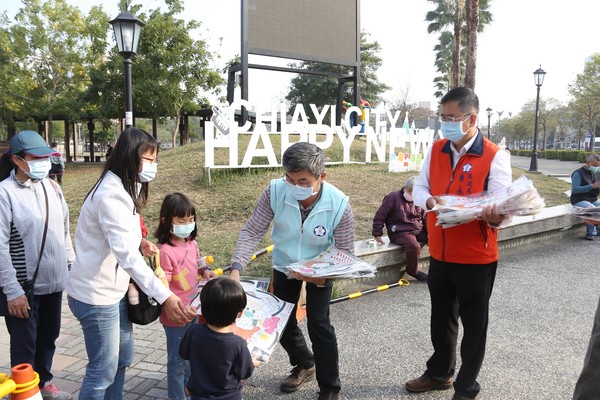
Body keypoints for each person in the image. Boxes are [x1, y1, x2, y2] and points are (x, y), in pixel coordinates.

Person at [66, 127, 194, 400]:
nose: (153, 166)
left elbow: (120, 237)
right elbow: (127, 257)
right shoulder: (110, 195)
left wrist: (139, 242)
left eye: (155, 159)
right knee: (102, 370)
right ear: (129, 156)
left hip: (116, 290)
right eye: (148, 159)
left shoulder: (124, 186)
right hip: (97, 296)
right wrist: (166, 295)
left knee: (122, 358)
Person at [408, 87, 512, 400]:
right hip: (440, 252)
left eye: (453, 117)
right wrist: (430, 203)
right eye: (444, 117)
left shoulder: (495, 156)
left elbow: (502, 207)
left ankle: (466, 387)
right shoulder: (437, 148)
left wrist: (494, 216)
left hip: (476, 257)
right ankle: (440, 373)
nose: (446, 123)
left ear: (472, 119)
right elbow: (420, 188)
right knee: (441, 320)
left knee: (474, 327)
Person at [229, 142, 355, 400]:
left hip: (321, 269)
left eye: (302, 180)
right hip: (285, 265)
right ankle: (305, 363)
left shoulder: (339, 204)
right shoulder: (274, 192)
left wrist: (323, 275)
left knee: (319, 324)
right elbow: (253, 230)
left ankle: (330, 388)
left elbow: (346, 253)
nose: (294, 185)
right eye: (289, 178)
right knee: (281, 320)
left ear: (322, 177)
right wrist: (236, 269)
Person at [0, 130, 75, 400]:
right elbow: (0, 247)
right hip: (23, 288)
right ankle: (24, 392)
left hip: (54, 283)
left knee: (48, 338)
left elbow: (65, 231)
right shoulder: (4, 194)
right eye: (37, 157)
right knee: (24, 345)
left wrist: (71, 268)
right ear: (18, 160)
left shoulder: (52, 187)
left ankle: (44, 383)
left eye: (47, 157)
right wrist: (13, 291)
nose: (45, 162)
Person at [156, 192, 217, 400]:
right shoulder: (164, 251)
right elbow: (161, 285)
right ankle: (176, 395)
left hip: (195, 310)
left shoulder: (192, 242)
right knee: (177, 362)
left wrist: (205, 271)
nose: (187, 224)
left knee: (193, 356)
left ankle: (190, 390)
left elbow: (198, 262)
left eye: (190, 220)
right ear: (166, 221)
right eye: (181, 220)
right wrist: (172, 307)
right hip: (177, 316)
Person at [180, 277, 256, 400]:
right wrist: (253, 362)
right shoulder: (238, 344)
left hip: (198, 395)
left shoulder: (194, 331)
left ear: (202, 308)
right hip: (229, 396)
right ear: (240, 314)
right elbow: (245, 372)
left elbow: (184, 353)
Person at [372, 175, 428, 282]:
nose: (411, 195)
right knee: (413, 246)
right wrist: (377, 233)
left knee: (436, 240)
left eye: (414, 193)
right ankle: (413, 271)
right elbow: (380, 216)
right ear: (405, 188)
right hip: (400, 231)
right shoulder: (392, 197)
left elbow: (426, 218)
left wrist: (430, 233)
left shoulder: (419, 198)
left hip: (417, 229)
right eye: (409, 191)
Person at [570, 154, 600, 241]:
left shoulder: (597, 173)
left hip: (592, 199)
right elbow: (575, 190)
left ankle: (598, 229)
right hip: (579, 199)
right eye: (595, 165)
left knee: (595, 206)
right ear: (588, 163)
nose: (597, 167)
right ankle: (591, 233)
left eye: (599, 165)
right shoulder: (578, 173)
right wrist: (592, 186)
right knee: (592, 209)